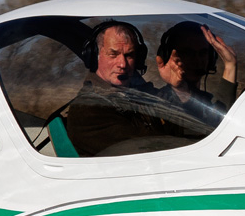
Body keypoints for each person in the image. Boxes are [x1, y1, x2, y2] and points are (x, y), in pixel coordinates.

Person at [61, 21, 204, 156]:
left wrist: (179, 89)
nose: (122, 64)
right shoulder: (87, 110)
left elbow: (186, 128)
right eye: (113, 54)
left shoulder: (139, 95)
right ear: (95, 56)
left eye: (129, 55)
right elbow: (152, 149)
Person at [154, 20, 238, 124]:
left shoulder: (208, 102)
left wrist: (230, 65)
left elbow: (219, 124)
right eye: (188, 53)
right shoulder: (156, 101)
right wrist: (179, 89)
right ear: (170, 56)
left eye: (203, 53)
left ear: (211, 58)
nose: (197, 60)